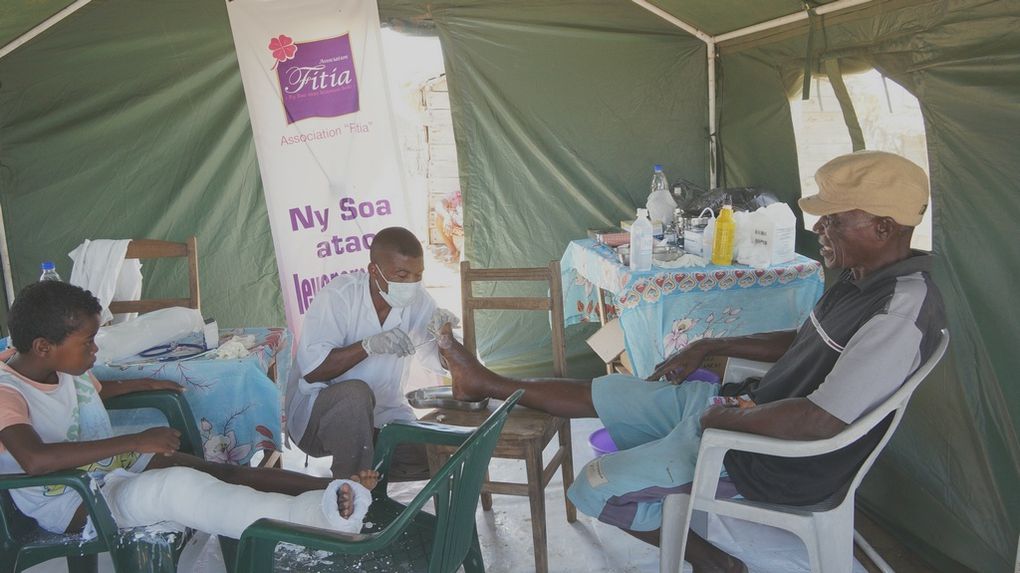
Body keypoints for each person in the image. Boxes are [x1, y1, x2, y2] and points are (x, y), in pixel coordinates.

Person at [434, 150, 946, 573]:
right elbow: (804, 341)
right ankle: (486, 381)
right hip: (753, 413)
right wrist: (711, 347)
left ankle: (714, 562)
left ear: (882, 226)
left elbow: (820, 421)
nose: (821, 226)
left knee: (592, 487)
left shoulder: (897, 311)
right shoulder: (866, 277)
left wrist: (728, 417)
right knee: (611, 391)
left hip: (770, 456)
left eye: (834, 218)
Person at [0, 280, 379, 539]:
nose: (95, 351)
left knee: (218, 472)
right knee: (179, 488)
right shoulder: (7, 391)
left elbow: (96, 391)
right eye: (88, 343)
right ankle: (318, 520)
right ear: (43, 346)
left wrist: (145, 383)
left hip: (107, 471)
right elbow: (34, 460)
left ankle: (330, 489)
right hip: (71, 500)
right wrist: (135, 440)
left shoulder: (62, 368)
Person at [285, 226, 459, 480]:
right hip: (318, 419)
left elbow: (440, 361)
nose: (411, 284)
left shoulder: (417, 299)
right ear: (374, 271)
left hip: (384, 417)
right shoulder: (340, 296)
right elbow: (312, 371)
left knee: (440, 453)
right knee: (356, 395)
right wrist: (367, 346)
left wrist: (446, 340)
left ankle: (364, 478)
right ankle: (348, 498)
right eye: (401, 274)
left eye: (417, 275)